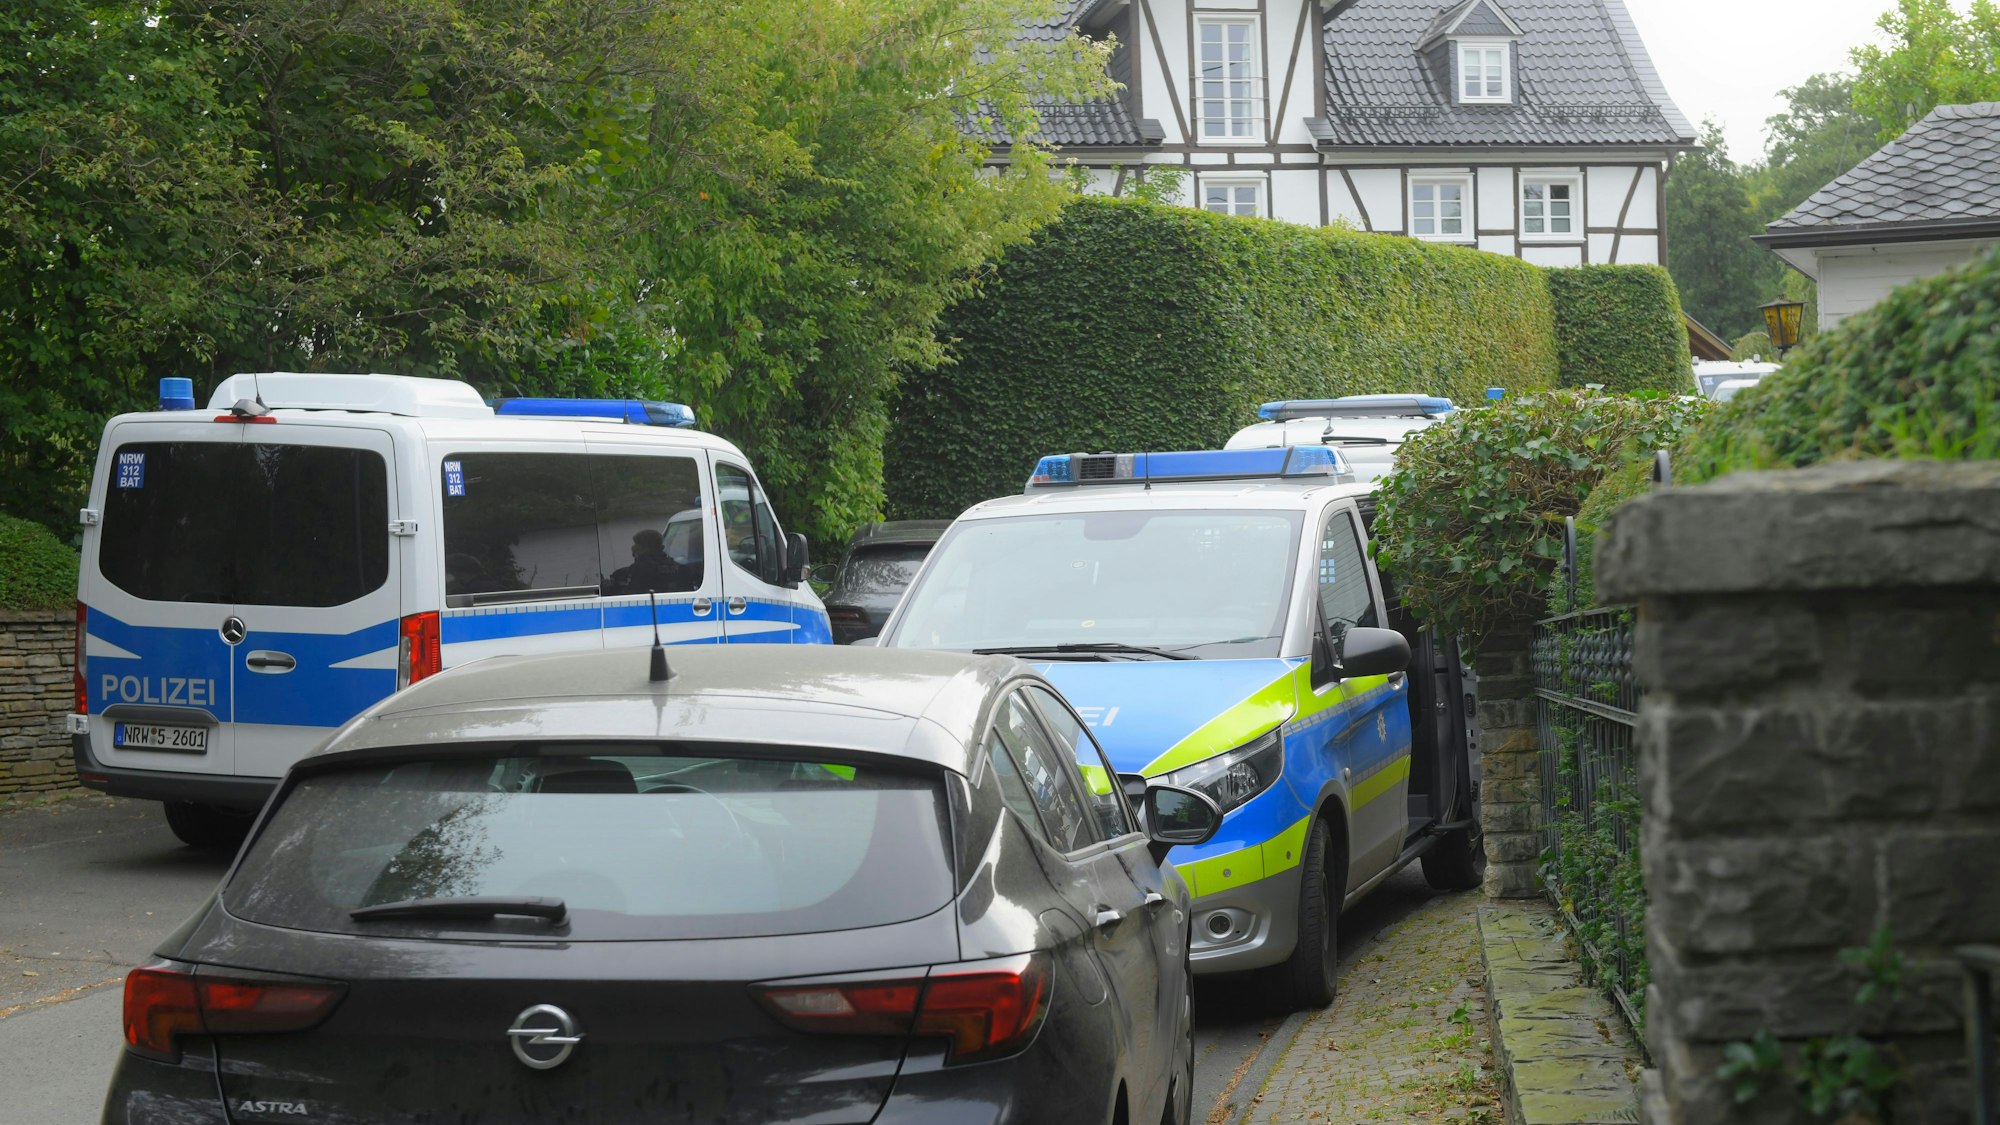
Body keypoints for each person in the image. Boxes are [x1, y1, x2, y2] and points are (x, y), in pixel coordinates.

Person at [609, 529, 685, 594]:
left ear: (644, 548)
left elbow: (631, 595)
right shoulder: (681, 568)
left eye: (637, 545)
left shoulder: (640, 569)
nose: (633, 548)